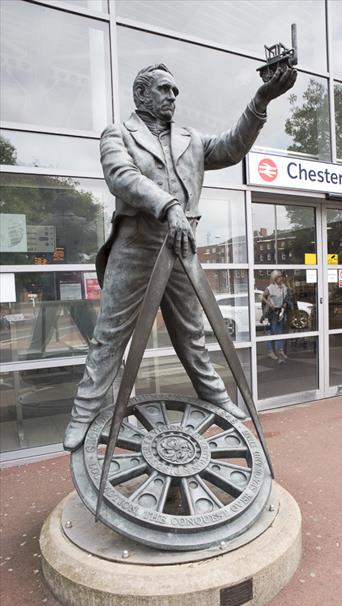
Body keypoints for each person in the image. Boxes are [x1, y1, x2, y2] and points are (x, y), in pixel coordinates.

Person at [63, 61, 297, 450]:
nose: (173, 96)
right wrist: (169, 205)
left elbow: (232, 147)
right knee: (110, 336)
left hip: (180, 245)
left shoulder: (191, 139)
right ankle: (83, 413)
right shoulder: (118, 133)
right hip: (136, 245)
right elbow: (121, 176)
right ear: (141, 94)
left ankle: (214, 394)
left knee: (191, 332)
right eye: (164, 90)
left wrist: (260, 100)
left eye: (175, 91)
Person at [261, 270, 289, 364]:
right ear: (274, 279)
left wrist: (283, 307)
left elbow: (285, 298)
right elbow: (262, 297)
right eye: (278, 277)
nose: (281, 279)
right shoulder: (270, 288)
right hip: (272, 312)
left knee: (279, 331)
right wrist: (270, 304)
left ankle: (280, 350)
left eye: (281, 277)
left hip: (280, 311)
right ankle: (270, 351)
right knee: (272, 332)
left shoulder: (284, 287)